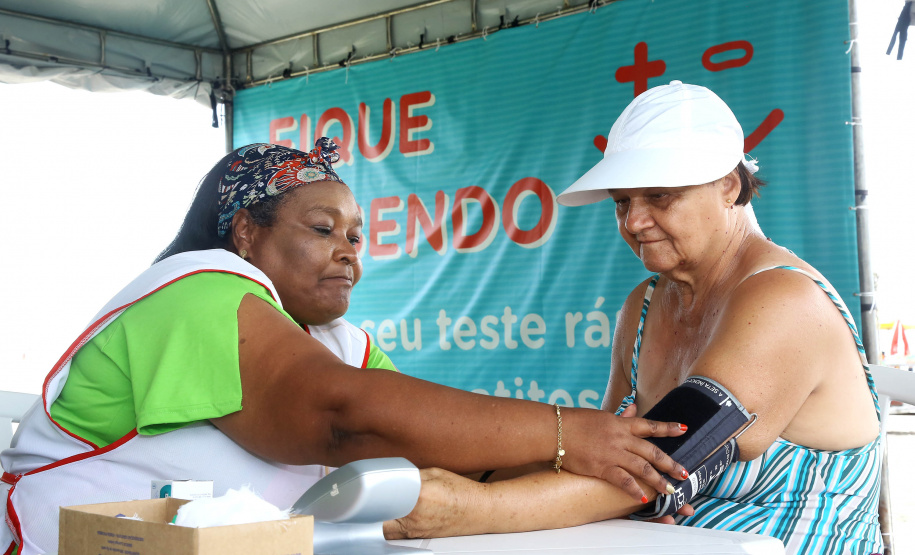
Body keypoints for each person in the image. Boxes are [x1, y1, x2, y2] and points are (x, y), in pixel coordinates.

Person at [0, 139, 688, 555]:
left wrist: (624, 480)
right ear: (246, 233)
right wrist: (570, 434)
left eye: (356, 235)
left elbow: (442, 452)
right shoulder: (193, 289)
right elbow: (342, 418)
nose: (349, 252)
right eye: (323, 229)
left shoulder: (337, 341)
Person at [384, 82, 883, 555]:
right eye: (622, 202)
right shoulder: (643, 305)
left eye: (659, 195)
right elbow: (605, 462)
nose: (635, 222)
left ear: (730, 186)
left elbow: (664, 471)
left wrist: (466, 506)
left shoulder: (785, 300)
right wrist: (470, 477)